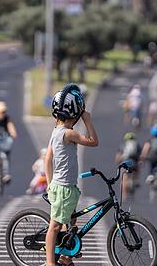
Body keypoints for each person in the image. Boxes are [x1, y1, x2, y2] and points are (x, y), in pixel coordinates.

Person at [45, 84, 98, 266]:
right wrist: (88, 120)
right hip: (63, 188)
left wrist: (49, 183)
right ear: (75, 114)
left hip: (66, 187)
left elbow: (47, 159)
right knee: (55, 226)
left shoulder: (56, 131)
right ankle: (50, 263)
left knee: (71, 222)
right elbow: (93, 142)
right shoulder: (68, 134)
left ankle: (66, 257)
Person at [115, 132, 142, 202]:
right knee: (136, 172)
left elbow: (118, 156)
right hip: (134, 164)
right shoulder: (137, 145)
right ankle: (135, 181)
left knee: (124, 179)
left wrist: (118, 161)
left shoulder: (123, 145)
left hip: (126, 164)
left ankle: (124, 196)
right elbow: (140, 156)